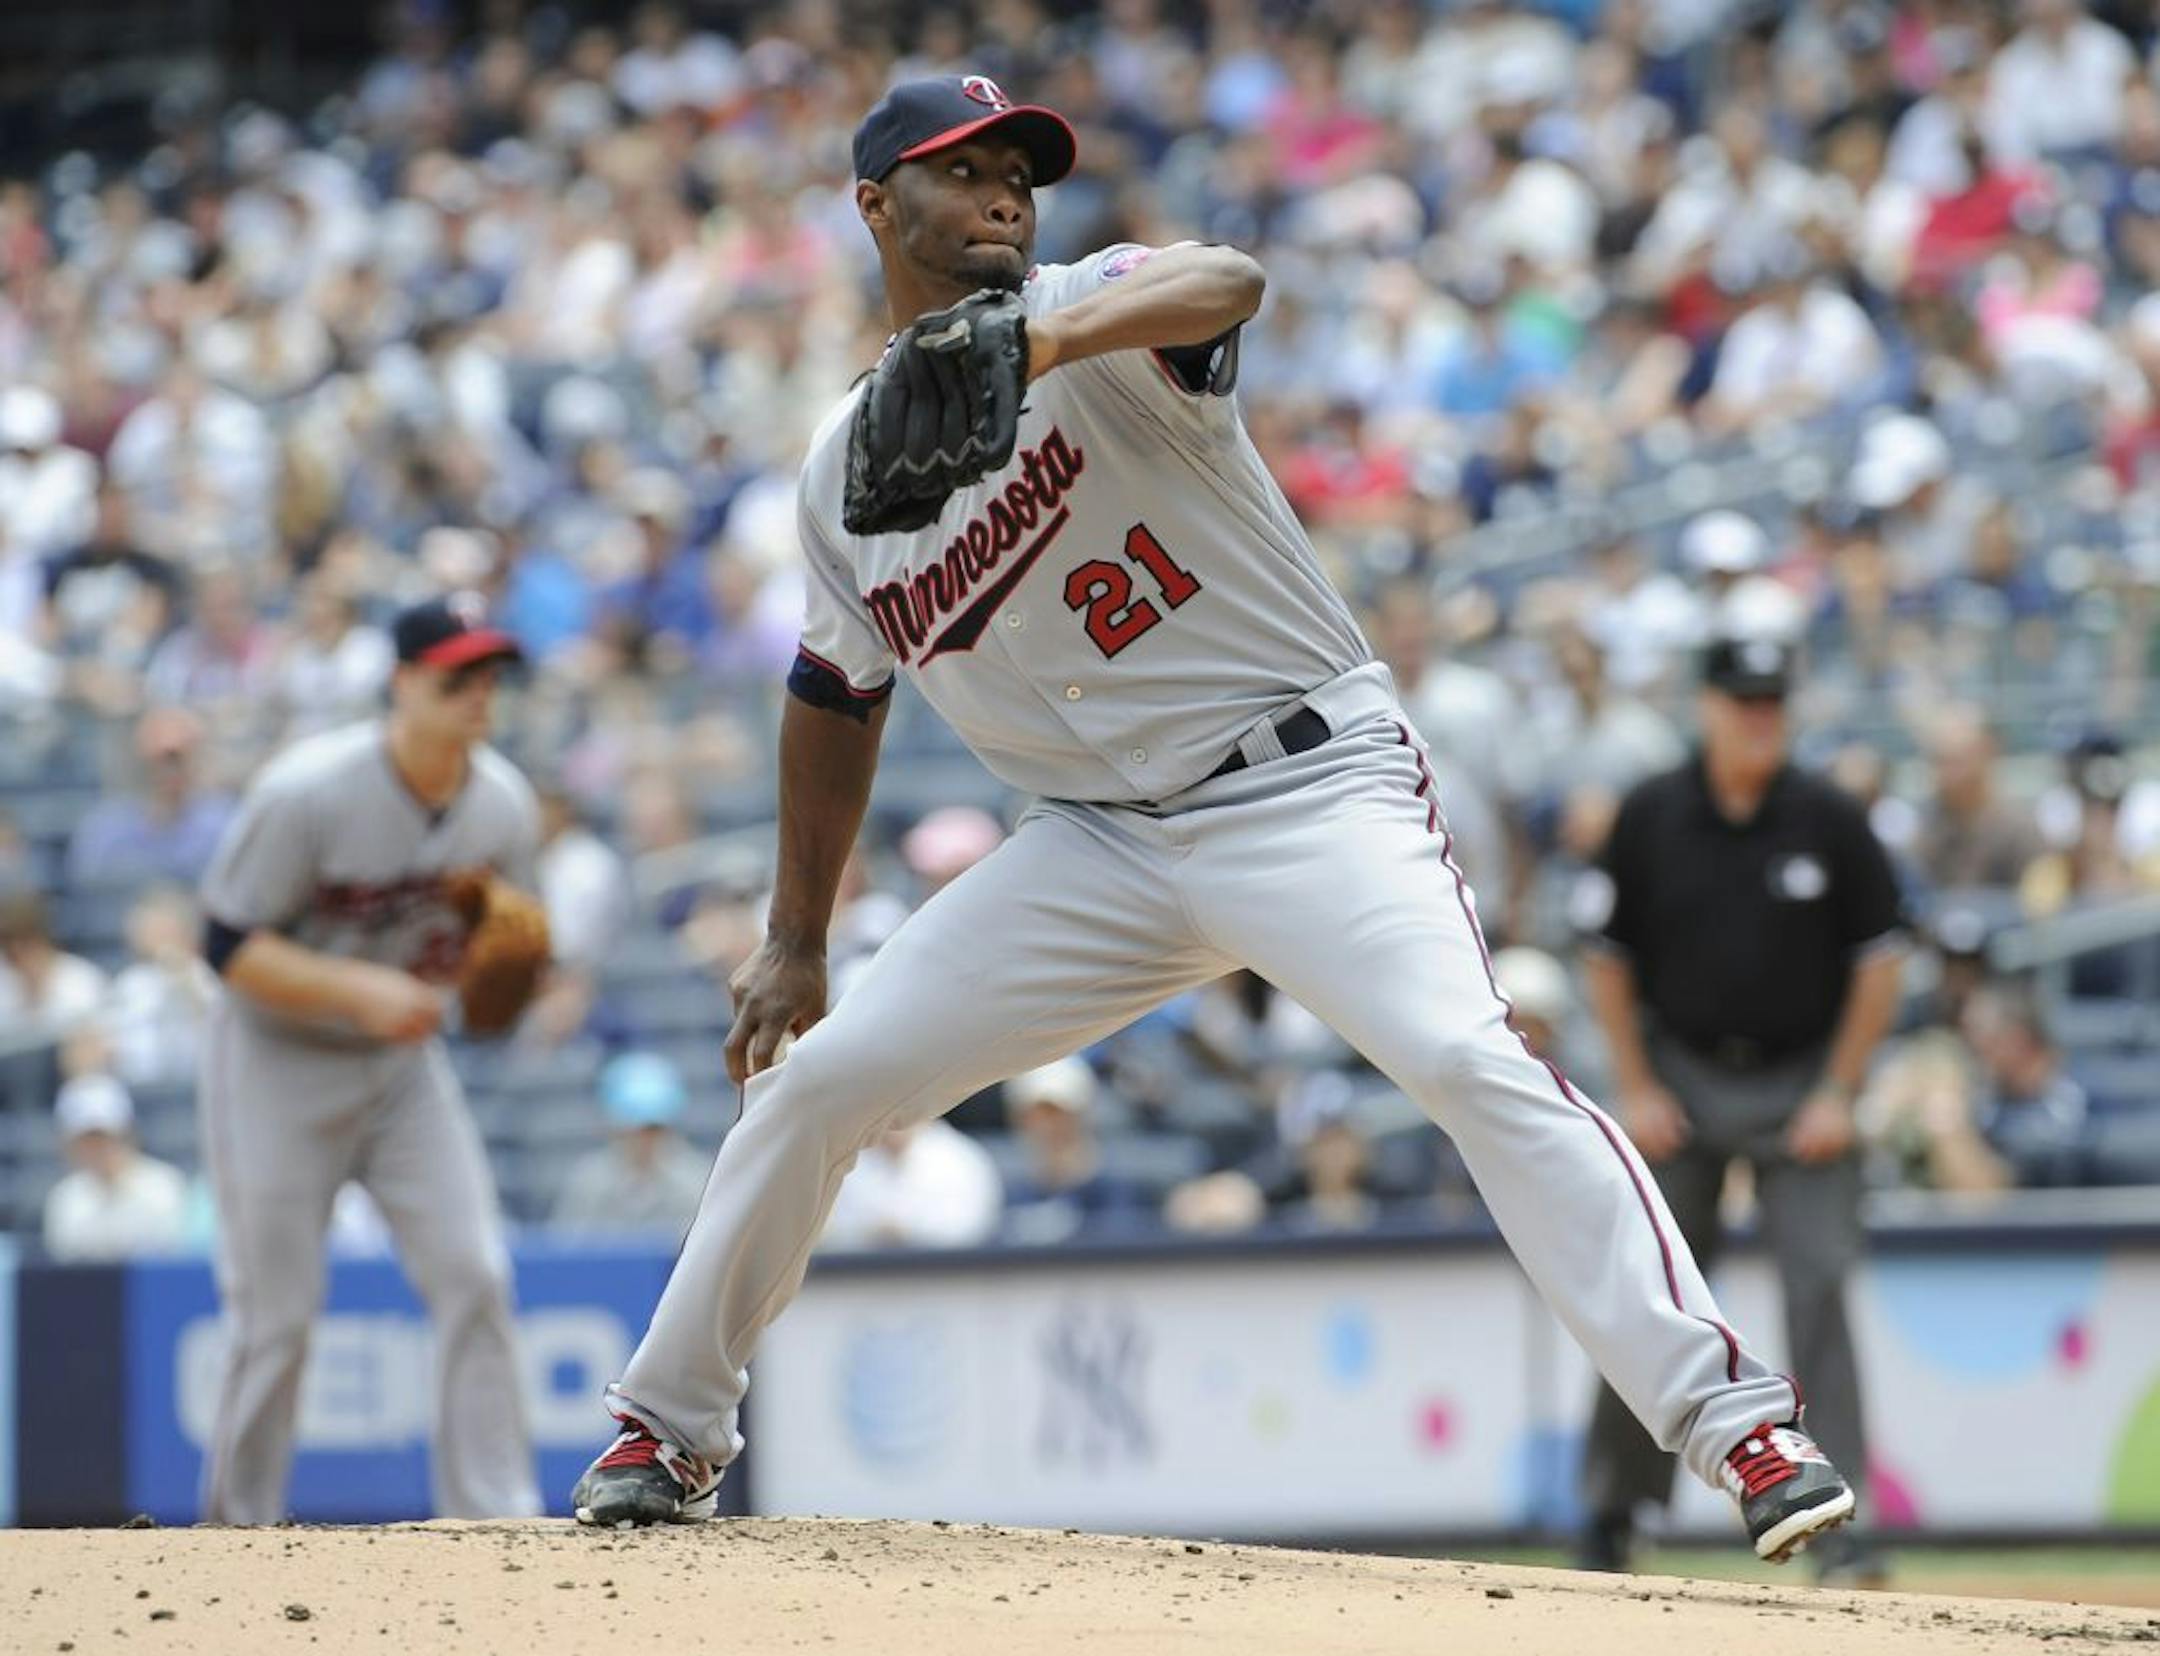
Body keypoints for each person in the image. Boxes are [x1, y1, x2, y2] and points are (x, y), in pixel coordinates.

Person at [570, 77, 1857, 1569]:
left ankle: (1734, 1421)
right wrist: (796, 938)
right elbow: (831, 694)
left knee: (1462, 1054)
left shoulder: (1093, 309)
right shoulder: (841, 474)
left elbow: (1227, 278)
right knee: (819, 1080)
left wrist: (1037, 334)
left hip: (1306, 788)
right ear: (875, 207)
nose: (1001, 194)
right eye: (959, 170)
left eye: (1017, 172)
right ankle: (669, 1427)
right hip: (1097, 845)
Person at [192, 594, 543, 1524]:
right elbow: (225, 947)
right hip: (275, 1061)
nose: (478, 693)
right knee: (276, 1316)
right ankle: (237, 1530)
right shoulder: (307, 791)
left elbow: (501, 964)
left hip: (401, 1075)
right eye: (454, 676)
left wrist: (504, 970)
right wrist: (363, 991)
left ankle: (496, 1519)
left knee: (476, 1273)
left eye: (489, 675)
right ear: (401, 683)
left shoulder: (501, 805)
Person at [1577, 636, 1906, 1584]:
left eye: (1773, 700)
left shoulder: (1830, 817)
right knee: (1647, 1304)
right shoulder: (1650, 813)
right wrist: (1636, 1084)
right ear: (1708, 706)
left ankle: (1841, 1531)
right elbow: (1606, 956)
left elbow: (1881, 959)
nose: (1760, 716)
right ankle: (1613, 1513)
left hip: (1803, 1084)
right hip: (1680, 1078)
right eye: (1742, 700)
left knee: (1822, 1287)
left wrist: (1840, 1091)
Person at [64, 706, 236, 890]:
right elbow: (88, 895)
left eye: (176, 759)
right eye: (159, 760)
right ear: (139, 759)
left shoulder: (224, 825)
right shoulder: (105, 829)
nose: (168, 771)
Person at [552, 1052, 712, 1237]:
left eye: (653, 1129)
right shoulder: (589, 1183)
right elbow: (568, 1251)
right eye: (635, 1128)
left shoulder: (698, 1181)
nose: (643, 1139)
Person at [40, 1071, 192, 1261]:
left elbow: (172, 1265)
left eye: (104, 1137)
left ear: (128, 1133)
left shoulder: (165, 1186)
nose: (97, 1149)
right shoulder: (64, 1199)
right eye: (86, 1140)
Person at [1000, 1055, 1147, 1242]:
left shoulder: (1116, 1191)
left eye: (1059, 1113)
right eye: (1036, 1115)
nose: (1048, 1125)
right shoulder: (1009, 1195)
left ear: (1084, 1115)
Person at [817, 1119, 1003, 1251]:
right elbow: (826, 1236)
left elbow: (975, 1231)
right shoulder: (840, 1159)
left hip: (944, 1286)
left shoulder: (963, 1158)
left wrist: (909, 1232)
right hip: (855, 1288)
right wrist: (872, 1233)